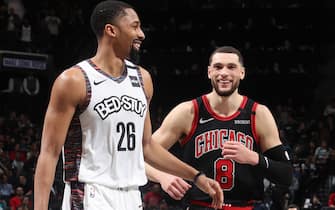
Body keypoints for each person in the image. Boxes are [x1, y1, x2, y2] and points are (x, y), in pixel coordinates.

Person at [33, 1, 223, 210]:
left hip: (131, 195)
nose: (141, 33)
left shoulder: (143, 79)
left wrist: (196, 176)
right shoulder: (74, 80)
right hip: (90, 193)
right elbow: (49, 154)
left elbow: (147, 146)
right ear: (111, 30)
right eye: (134, 26)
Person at [146, 46, 293, 209]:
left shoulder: (258, 114)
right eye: (218, 67)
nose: (224, 73)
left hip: (245, 206)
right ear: (209, 72)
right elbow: (140, 156)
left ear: (242, 73)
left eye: (231, 67)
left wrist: (254, 158)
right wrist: (162, 176)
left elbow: (286, 175)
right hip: (199, 205)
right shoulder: (188, 112)